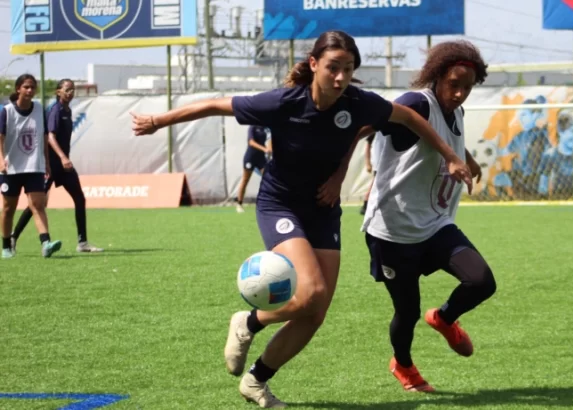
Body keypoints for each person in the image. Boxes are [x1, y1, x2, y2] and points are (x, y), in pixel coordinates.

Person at [130, 30, 472, 408]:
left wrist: (451, 156)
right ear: (313, 65)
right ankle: (248, 323)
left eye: (348, 69)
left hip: (323, 211)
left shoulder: (359, 103)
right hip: (281, 206)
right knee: (311, 293)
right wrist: (158, 121)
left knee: (315, 312)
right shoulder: (283, 101)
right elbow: (214, 105)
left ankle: (256, 381)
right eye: (332, 68)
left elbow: (407, 116)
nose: (340, 78)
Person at [361, 40, 497, 392]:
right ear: (436, 76)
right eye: (454, 84)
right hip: (394, 230)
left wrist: (464, 155)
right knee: (406, 311)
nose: (460, 93)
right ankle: (403, 364)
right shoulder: (416, 102)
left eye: (467, 87)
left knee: (482, 281)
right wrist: (334, 170)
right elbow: (366, 124)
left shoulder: (457, 112)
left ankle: (445, 317)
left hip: (436, 225)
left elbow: (440, 135)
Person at [11, 79, 103, 253]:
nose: (70, 92)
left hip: (63, 165)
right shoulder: (55, 110)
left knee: (79, 198)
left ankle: (82, 243)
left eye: (73, 90)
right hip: (50, 164)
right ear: (58, 92)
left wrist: (64, 159)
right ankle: (14, 237)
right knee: (37, 204)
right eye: (67, 89)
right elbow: (50, 136)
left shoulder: (67, 110)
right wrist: (61, 157)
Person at [0, 74, 62, 259]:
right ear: (18, 89)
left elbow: (43, 137)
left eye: (33, 87)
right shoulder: (7, 111)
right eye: (26, 87)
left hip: (34, 166)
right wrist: (1, 159)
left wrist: (47, 162)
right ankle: (6, 246)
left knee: (38, 204)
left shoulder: (39, 110)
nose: (30, 90)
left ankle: (46, 243)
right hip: (11, 167)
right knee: (8, 208)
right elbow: (0, 138)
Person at [236, 125, 271, 213]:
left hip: (261, 159)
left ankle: (268, 203)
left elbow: (270, 140)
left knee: (268, 180)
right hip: (250, 157)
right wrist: (264, 149)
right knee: (245, 180)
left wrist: (270, 149)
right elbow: (251, 142)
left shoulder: (266, 128)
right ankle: (239, 204)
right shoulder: (252, 127)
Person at [359, 132, 384, 215]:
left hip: (384, 161)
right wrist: (368, 163)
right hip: (378, 161)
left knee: (376, 183)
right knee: (375, 183)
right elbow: (368, 146)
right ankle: (365, 205)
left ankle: (367, 205)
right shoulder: (375, 130)